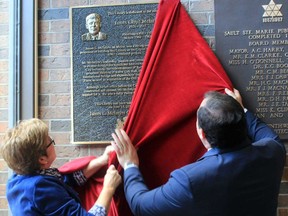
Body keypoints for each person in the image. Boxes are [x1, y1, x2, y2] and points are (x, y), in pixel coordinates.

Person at [111, 88, 286, 216]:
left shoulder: (188, 181)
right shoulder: (273, 152)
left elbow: (140, 205)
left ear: (202, 134)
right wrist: (242, 111)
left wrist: (129, 165)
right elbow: (267, 134)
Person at [0, 118, 121, 216]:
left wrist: (101, 161)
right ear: (42, 159)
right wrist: (109, 187)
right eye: (50, 142)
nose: (53, 142)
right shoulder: (39, 188)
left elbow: (64, 182)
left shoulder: (17, 179)